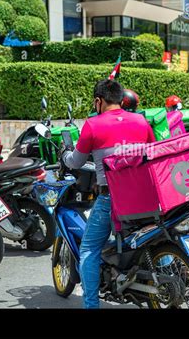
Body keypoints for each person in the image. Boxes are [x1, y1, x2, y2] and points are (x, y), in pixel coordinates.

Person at [62, 79, 155, 308]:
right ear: (121, 99)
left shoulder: (93, 125)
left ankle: (91, 304)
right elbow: (153, 152)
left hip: (113, 198)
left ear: (98, 101)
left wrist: (64, 154)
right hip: (146, 196)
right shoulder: (141, 121)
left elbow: (76, 161)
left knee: (89, 249)